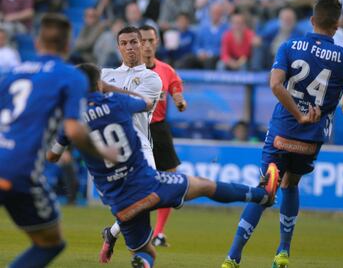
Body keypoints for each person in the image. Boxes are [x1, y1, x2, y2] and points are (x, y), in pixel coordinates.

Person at [47, 63, 280, 268]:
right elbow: (147, 103)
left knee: (146, 252)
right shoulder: (116, 101)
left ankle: (142, 261)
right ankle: (261, 195)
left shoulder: (71, 121)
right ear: (99, 83)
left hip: (119, 203)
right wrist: (112, 88)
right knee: (205, 186)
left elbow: (52, 156)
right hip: (148, 184)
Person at [221, 0, 343, 268]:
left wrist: (298, 114)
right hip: (312, 138)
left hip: (283, 129)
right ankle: (282, 251)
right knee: (291, 185)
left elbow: (275, 85)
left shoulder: (290, 46)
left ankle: (233, 257)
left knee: (264, 190)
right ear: (337, 25)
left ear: (312, 21)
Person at [0, 13, 117, 268]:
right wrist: (103, 152)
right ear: (68, 45)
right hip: (20, 172)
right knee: (51, 243)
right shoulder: (71, 76)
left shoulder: (12, 73)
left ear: (37, 41)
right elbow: (74, 130)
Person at [98, 25, 162, 263]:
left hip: (140, 145)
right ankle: (143, 255)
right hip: (112, 149)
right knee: (134, 202)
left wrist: (106, 90)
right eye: (124, 43)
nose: (130, 47)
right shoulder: (105, 74)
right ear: (118, 48)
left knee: (151, 195)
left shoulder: (151, 78)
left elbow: (137, 103)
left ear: (143, 44)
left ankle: (113, 233)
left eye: (134, 42)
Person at [138, 24, 187, 247]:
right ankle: (138, 231)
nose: (147, 45)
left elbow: (176, 86)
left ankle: (158, 232)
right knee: (139, 183)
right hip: (137, 128)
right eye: (143, 41)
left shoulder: (166, 69)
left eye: (150, 40)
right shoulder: (131, 72)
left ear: (157, 42)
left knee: (170, 178)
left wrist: (179, 100)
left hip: (159, 129)